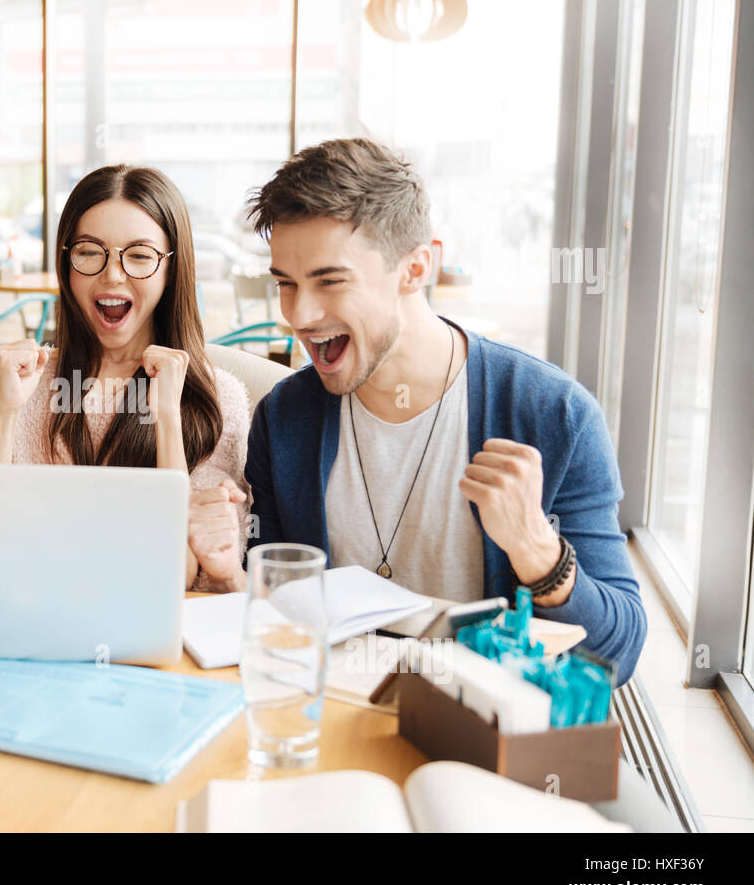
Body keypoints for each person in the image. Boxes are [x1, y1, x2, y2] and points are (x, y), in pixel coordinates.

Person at [244, 138, 646, 681]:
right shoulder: (284, 418)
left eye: (330, 280)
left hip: (479, 731)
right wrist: (230, 569)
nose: (300, 313)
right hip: (331, 718)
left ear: (416, 268)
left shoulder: (554, 414)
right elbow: (271, 611)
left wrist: (538, 551)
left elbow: (615, 656)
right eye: (286, 284)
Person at [0, 165, 250, 592]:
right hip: (24, 627)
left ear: (171, 269)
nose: (112, 274)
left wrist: (166, 416)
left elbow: (178, 577)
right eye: (91, 251)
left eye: (140, 255)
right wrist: (5, 413)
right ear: (67, 262)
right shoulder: (19, 381)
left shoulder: (218, 397)